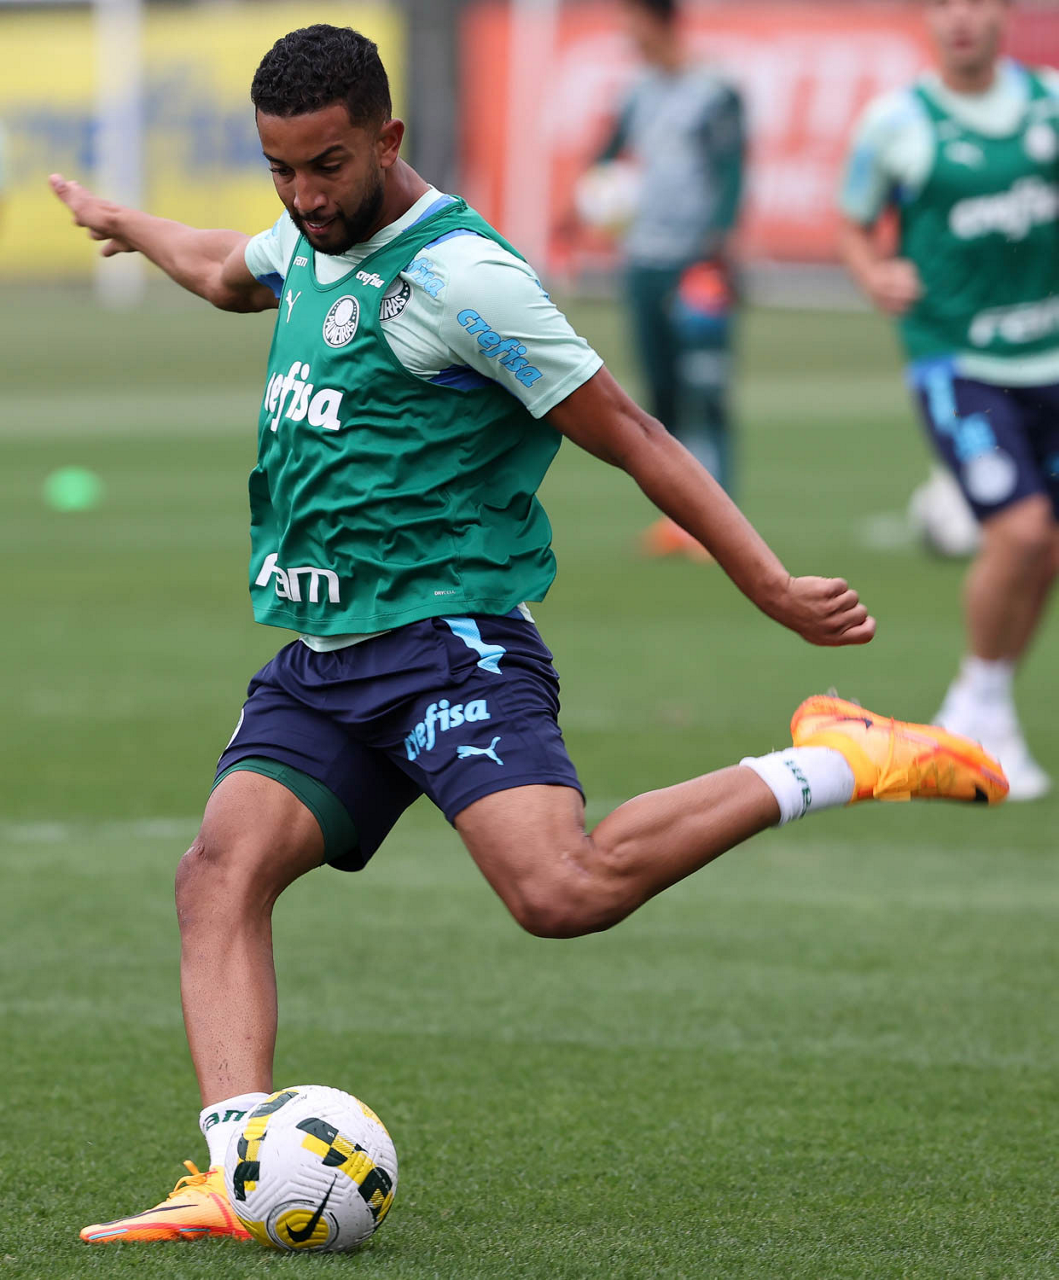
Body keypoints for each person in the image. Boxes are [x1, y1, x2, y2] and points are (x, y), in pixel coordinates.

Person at [53, 23, 1006, 1248]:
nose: (303, 196)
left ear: (387, 139)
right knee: (216, 875)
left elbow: (635, 433)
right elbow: (226, 267)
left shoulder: (465, 280)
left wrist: (768, 583)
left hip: (448, 642)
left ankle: (838, 756)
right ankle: (242, 1165)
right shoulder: (306, 237)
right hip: (325, 657)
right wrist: (130, 225)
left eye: (327, 167)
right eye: (280, 169)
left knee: (563, 891)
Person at [838, 0, 1059, 800]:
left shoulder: (1048, 102)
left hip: (1048, 358)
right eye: (942, 4)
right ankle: (974, 703)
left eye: (975, 1)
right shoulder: (896, 122)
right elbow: (853, 222)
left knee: (1047, 548)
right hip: (956, 360)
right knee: (1019, 529)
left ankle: (979, 707)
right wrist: (874, 273)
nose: (959, 18)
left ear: (1004, 14)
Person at [587, 0, 745, 559]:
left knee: (706, 389)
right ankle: (681, 520)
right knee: (661, 392)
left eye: (633, 22)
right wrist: (588, 196)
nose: (627, 34)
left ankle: (722, 523)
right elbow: (608, 153)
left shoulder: (715, 92)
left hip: (695, 264)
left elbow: (732, 172)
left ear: (659, 23)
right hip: (643, 262)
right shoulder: (637, 92)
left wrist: (716, 248)